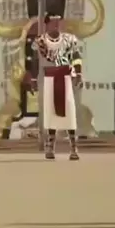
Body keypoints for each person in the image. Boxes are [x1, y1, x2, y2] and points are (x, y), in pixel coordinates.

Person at [24, 15, 83, 160]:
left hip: (66, 79)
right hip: (49, 80)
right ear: (47, 25)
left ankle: (73, 148)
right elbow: (35, 62)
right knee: (50, 113)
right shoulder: (40, 42)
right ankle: (50, 147)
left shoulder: (70, 39)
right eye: (53, 23)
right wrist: (33, 79)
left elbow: (76, 57)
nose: (56, 25)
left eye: (58, 22)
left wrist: (79, 74)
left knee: (69, 111)